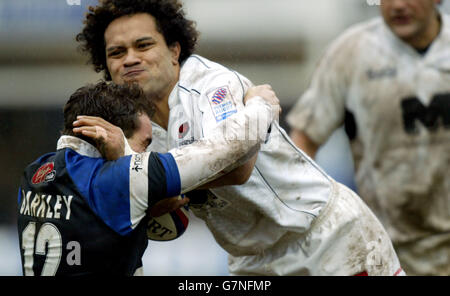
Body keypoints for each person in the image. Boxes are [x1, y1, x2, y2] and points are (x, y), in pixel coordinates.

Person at [76, 0, 404, 276]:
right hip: (252, 262)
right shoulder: (132, 126)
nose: (130, 59)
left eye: (143, 45)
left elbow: (238, 164)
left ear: (175, 51)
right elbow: (162, 214)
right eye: (117, 52)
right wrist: (150, 193)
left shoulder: (211, 85)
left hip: (324, 241)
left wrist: (155, 185)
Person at [17, 81, 279, 276]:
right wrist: (260, 103)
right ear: (106, 134)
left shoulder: (33, 174)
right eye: (145, 143)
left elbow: (89, 220)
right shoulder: (117, 180)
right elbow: (230, 149)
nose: (147, 152)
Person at [286, 0, 450, 276]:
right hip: (386, 252)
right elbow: (304, 141)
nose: (397, 4)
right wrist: (302, 216)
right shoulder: (350, 54)